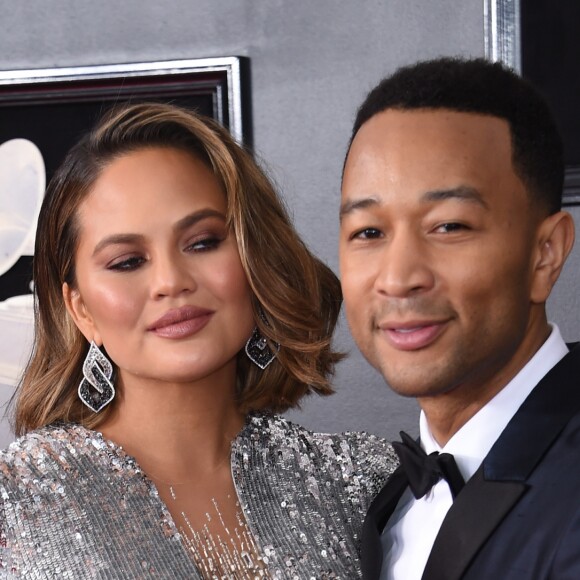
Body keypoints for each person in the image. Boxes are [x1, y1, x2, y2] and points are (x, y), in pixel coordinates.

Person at [0, 102, 398, 579]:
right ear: (82, 310)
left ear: (257, 259)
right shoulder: (17, 501)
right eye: (127, 261)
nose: (171, 281)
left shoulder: (364, 482)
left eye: (203, 242)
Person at [339, 57, 579, 580]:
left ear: (546, 255)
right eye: (368, 233)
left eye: (449, 226)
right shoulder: (380, 508)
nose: (398, 277)